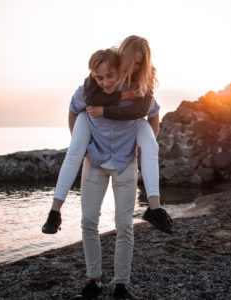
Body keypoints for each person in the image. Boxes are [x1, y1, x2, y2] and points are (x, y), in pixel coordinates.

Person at [42, 35, 172, 237]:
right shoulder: (97, 81)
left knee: (151, 146)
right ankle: (54, 211)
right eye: (129, 63)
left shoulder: (142, 84)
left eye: (138, 64)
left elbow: (150, 111)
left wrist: (144, 143)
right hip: (94, 142)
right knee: (75, 147)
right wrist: (82, 139)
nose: (132, 68)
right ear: (121, 60)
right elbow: (79, 104)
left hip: (127, 147)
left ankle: (155, 208)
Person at [71, 48, 156, 299]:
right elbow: (73, 110)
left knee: (124, 225)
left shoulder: (136, 92)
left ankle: (121, 284)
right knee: (88, 221)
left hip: (126, 162)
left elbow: (153, 113)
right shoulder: (84, 92)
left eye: (110, 76)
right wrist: (80, 143)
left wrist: (148, 141)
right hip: (94, 162)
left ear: (120, 71)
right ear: (93, 77)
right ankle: (94, 281)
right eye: (100, 78)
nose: (106, 82)